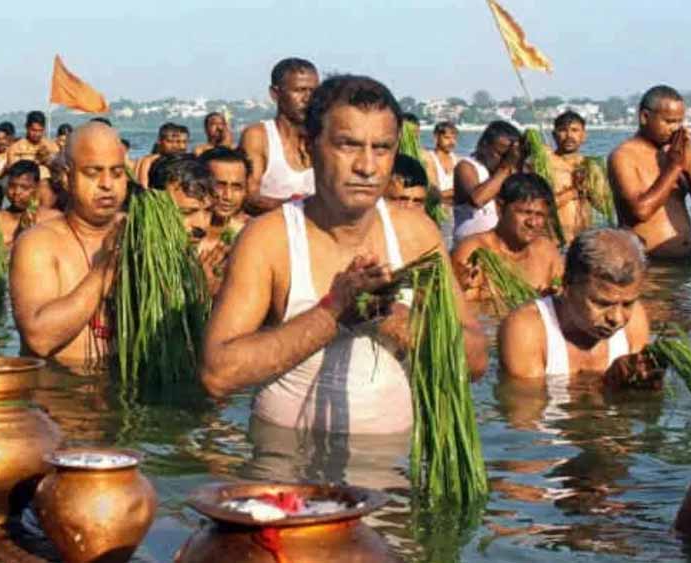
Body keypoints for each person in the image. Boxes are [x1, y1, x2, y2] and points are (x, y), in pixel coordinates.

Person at [202, 75, 487, 435]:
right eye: (348, 145)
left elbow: (476, 361)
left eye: (381, 148)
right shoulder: (271, 238)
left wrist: (395, 320)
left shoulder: (415, 233)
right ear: (309, 147)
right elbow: (218, 373)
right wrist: (333, 312)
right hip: (286, 456)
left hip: (394, 459)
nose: (366, 166)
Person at [10, 122, 127, 364]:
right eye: (93, 173)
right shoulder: (37, 243)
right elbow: (39, 340)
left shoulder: (140, 233)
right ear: (66, 177)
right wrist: (104, 269)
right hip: (61, 383)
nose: (107, 184)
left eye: (117, 172)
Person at [498, 228, 655, 388]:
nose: (617, 318)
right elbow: (526, 400)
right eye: (602, 303)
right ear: (567, 285)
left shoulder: (635, 319)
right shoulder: (526, 329)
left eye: (627, 304)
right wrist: (608, 383)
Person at [609, 85, 691, 259]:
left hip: (685, 267)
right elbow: (640, 212)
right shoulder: (623, 156)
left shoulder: (678, 154)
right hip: (645, 265)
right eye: (669, 121)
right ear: (644, 117)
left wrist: (689, 169)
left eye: (679, 122)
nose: (675, 128)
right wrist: (674, 167)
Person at [451, 173, 564, 300]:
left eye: (540, 215)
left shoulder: (547, 251)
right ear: (500, 207)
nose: (532, 223)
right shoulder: (473, 252)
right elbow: (460, 306)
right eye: (525, 212)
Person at [239, 58, 319, 214]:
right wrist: (296, 205)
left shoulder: (324, 137)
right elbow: (248, 195)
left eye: (313, 92)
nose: (307, 99)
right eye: (299, 90)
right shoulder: (259, 136)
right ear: (275, 94)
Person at [453, 120, 523, 242]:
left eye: (508, 156)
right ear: (484, 145)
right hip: (470, 245)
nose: (503, 160)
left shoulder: (507, 172)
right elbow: (477, 200)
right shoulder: (466, 166)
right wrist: (506, 167)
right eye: (501, 154)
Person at [547, 111, 592, 242]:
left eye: (574, 130)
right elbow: (540, 206)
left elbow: (603, 205)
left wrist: (591, 186)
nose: (569, 136)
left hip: (585, 239)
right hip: (557, 241)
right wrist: (574, 191)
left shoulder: (589, 165)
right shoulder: (546, 164)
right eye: (563, 130)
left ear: (584, 135)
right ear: (554, 135)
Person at [0, 160, 61, 247]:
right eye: (12, 186)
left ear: (37, 187)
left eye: (24, 187)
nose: (17, 192)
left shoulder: (53, 218)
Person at [199, 146, 251, 241]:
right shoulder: (179, 231)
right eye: (219, 186)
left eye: (237, 187)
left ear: (246, 190)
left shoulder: (249, 235)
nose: (228, 196)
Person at [134, 122, 185, 187]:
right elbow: (143, 186)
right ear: (159, 141)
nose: (174, 145)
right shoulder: (149, 161)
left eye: (176, 142)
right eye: (170, 141)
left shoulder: (181, 160)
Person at [425, 121, 459, 201]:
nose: (452, 142)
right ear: (436, 137)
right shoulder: (429, 158)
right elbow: (432, 193)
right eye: (447, 138)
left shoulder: (458, 161)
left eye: (454, 138)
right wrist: (456, 191)